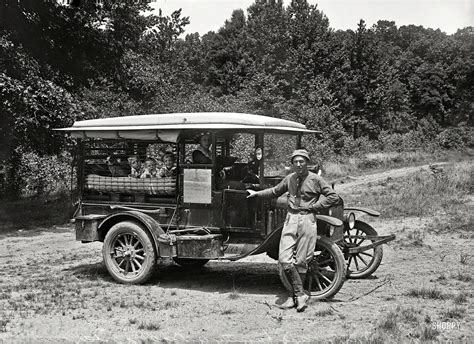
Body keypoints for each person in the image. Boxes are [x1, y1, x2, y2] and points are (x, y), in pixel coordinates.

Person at [247, 149, 339, 312]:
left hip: (307, 219)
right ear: (292, 164)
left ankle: (294, 295)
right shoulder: (290, 178)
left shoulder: (316, 179)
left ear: (307, 163)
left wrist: (315, 207)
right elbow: (275, 191)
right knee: (284, 259)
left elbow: (333, 197)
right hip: (290, 219)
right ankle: (300, 294)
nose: (298, 164)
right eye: (295, 162)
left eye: (301, 161)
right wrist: (257, 194)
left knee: (302, 260)